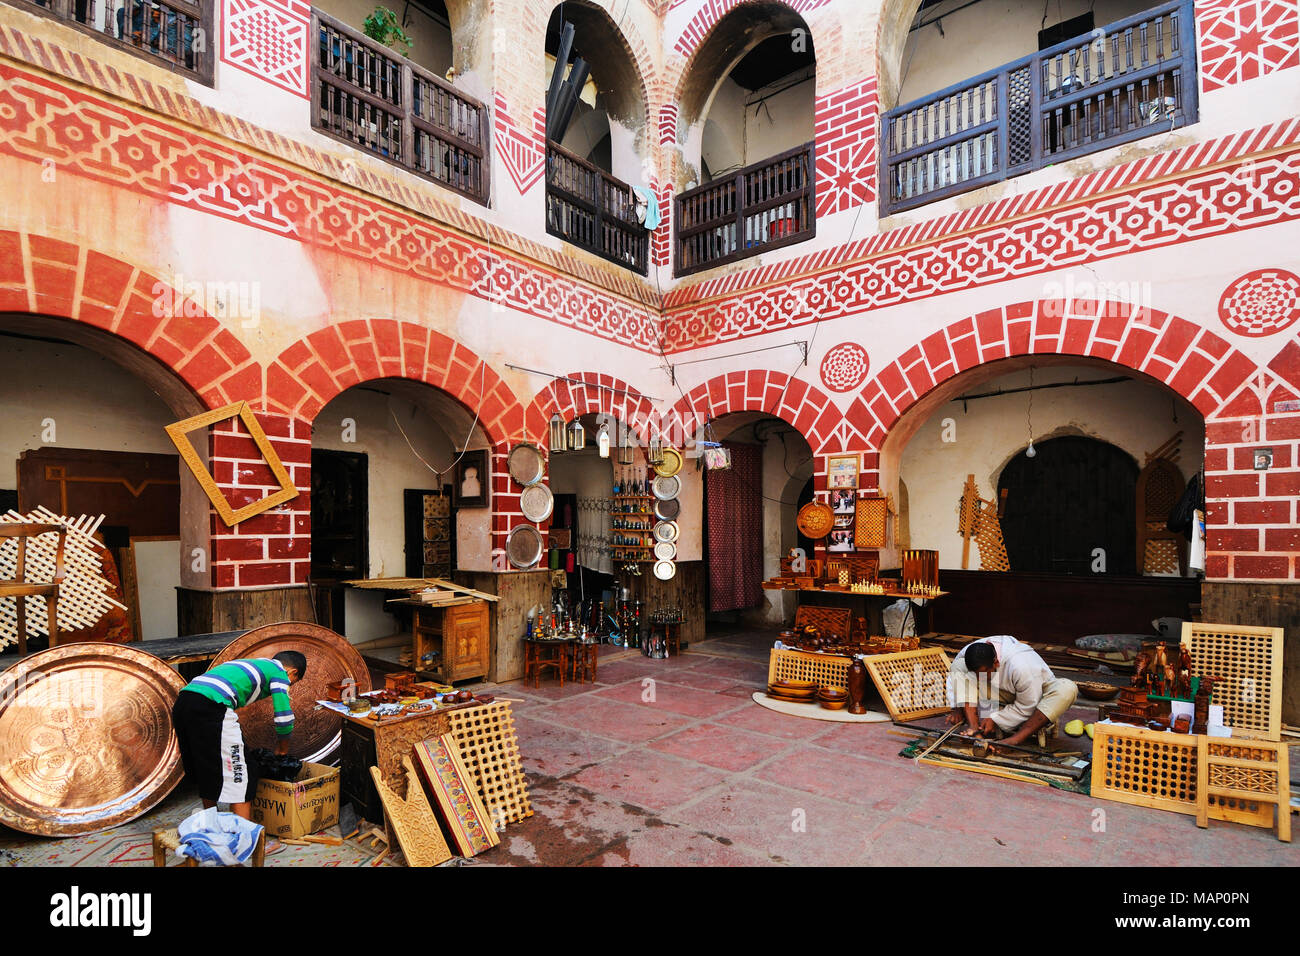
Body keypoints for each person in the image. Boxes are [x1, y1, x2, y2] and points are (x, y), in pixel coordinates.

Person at [171, 651, 307, 821]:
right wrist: (282, 748)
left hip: (183, 702)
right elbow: (284, 717)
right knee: (243, 773)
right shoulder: (280, 673)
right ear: (293, 672)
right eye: (294, 682)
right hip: (212, 704)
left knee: (205, 766)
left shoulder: (256, 663)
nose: (290, 685)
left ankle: (211, 826)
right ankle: (247, 838)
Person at [945, 635, 1077, 747]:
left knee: (1067, 689)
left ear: (996, 662)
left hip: (1037, 696)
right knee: (958, 665)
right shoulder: (971, 651)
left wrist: (996, 718)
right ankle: (974, 729)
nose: (978, 679)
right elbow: (956, 675)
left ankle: (1014, 740)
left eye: (983, 672)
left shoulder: (1021, 665)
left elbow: (1028, 705)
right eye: (977, 674)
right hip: (1003, 692)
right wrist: (956, 707)